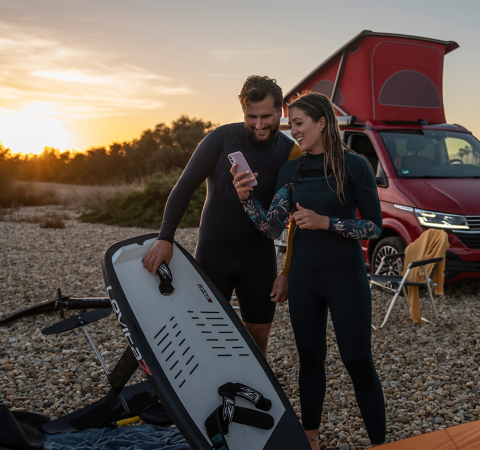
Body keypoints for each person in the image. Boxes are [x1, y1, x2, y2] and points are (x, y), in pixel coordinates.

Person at [231, 92, 386, 448]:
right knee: (310, 360)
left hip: (345, 275)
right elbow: (271, 227)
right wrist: (245, 197)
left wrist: (326, 222)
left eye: (298, 123)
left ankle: (380, 443)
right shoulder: (291, 169)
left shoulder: (355, 165)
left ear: (322, 122)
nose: (292, 130)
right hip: (304, 277)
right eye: (290, 124)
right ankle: (311, 440)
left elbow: (374, 228)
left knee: (358, 361)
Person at [142, 76, 301, 359]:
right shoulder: (222, 138)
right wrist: (165, 237)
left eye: (266, 116)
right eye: (251, 116)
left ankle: (252, 395)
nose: (259, 124)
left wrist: (287, 271)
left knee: (257, 342)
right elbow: (185, 186)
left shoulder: (290, 152)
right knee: (205, 335)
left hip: (259, 258)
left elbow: (293, 218)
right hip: (214, 252)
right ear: (243, 112)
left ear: (281, 111)